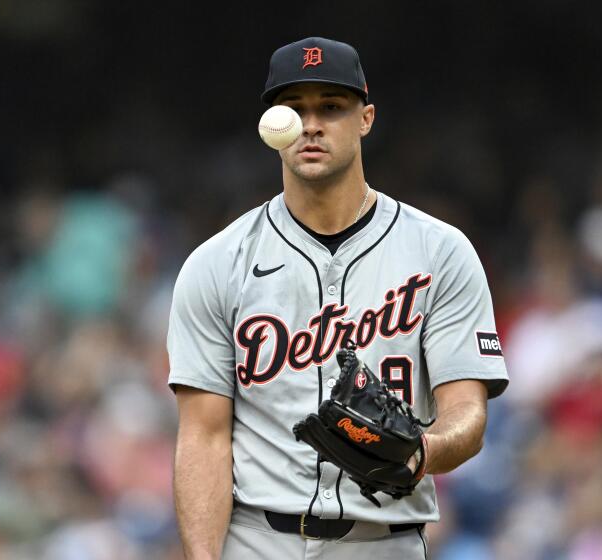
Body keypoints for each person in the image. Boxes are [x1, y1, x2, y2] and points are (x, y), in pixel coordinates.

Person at [167, 37, 509, 559]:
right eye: (294, 109)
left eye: (331, 107)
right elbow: (204, 439)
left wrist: (422, 453)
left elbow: (467, 413)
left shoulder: (439, 251)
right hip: (258, 541)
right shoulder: (217, 263)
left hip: (382, 540)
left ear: (366, 118)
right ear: (270, 124)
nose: (311, 124)